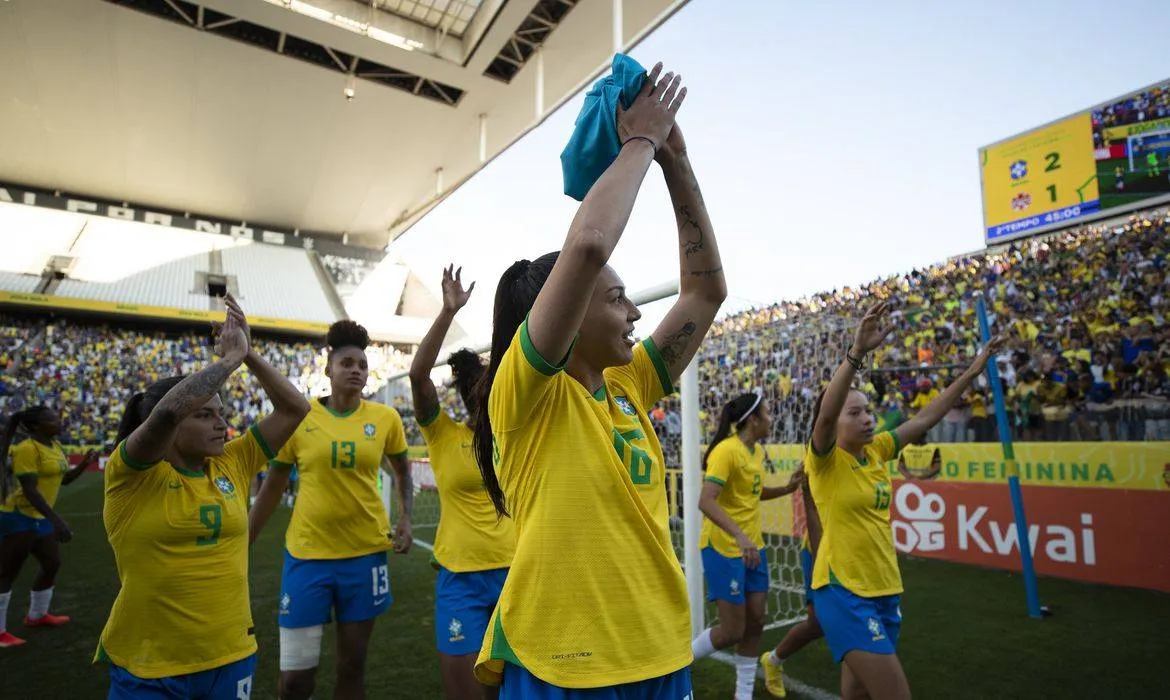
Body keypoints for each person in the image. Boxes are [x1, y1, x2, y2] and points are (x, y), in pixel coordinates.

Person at [471, 63, 723, 697]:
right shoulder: (526, 394)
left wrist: (676, 163)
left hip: (661, 652)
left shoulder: (629, 386)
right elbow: (586, 246)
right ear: (569, 308)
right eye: (616, 299)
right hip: (564, 662)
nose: (635, 311)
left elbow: (705, 292)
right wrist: (639, 138)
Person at [95, 294, 309, 699]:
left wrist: (248, 355)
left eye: (221, 413)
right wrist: (226, 362)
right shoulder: (131, 474)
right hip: (149, 664)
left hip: (230, 655)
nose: (221, 423)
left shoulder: (233, 462)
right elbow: (167, 414)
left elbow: (295, 407)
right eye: (205, 414)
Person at [804, 300, 1003, 700]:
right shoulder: (824, 460)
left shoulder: (877, 450)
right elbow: (824, 417)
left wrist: (971, 372)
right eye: (855, 413)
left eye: (869, 411)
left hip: (885, 588)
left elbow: (926, 418)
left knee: (857, 694)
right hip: (843, 590)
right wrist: (856, 354)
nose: (868, 419)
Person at [249, 319, 414, 700]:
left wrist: (405, 517)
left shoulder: (385, 419)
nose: (356, 370)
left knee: (351, 668)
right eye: (347, 363)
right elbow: (273, 486)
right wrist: (244, 539)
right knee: (294, 682)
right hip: (308, 557)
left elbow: (403, 471)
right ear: (329, 369)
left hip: (365, 556)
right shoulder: (300, 416)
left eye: (362, 364)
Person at [409, 265, 516, 700]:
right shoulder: (441, 432)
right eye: (475, 389)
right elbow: (418, 376)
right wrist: (448, 313)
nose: (481, 396)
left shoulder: (513, 432)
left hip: (517, 575)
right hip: (460, 580)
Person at [690, 392, 802, 700]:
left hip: (754, 548)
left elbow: (753, 492)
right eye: (767, 413)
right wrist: (740, 536)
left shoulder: (754, 452)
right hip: (724, 546)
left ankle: (743, 695)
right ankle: (678, 664)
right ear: (753, 419)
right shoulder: (727, 451)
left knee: (756, 622)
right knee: (732, 631)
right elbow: (706, 501)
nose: (771, 418)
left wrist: (787, 489)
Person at [0, 408, 98, 647]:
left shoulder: (54, 446)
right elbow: (30, 490)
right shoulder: (26, 449)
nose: (58, 421)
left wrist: (84, 463)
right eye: (51, 419)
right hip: (18, 515)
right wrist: (56, 519)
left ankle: (37, 616)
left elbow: (63, 479)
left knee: (52, 563)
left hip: (39, 518)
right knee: (6, 572)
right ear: (34, 427)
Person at [760, 462, 824, 699]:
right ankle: (773, 659)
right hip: (821, 544)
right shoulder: (820, 453)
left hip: (856, 548)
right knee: (818, 622)